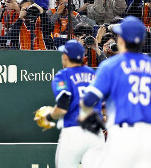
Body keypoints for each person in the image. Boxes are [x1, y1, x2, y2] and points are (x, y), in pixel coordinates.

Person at [80, 16, 151, 167]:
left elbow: (88, 101)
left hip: (122, 135)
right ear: (143, 41)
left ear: (121, 40)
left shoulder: (111, 65)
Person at [34, 40, 104, 168]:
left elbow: (62, 107)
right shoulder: (92, 74)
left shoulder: (63, 75)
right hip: (96, 134)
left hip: (74, 132)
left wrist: (49, 117)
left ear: (65, 57)